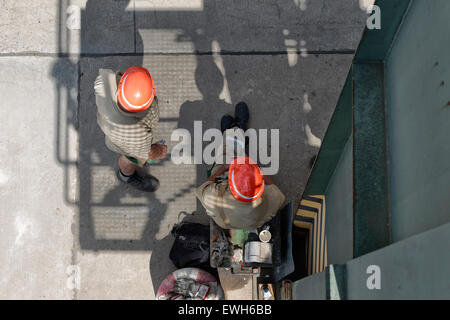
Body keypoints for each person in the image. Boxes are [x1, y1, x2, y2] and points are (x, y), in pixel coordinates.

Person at [195, 103, 285, 229]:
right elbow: (278, 194)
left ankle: (234, 130)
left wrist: (223, 168)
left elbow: (203, 188)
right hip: (251, 224)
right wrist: (257, 171)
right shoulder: (268, 201)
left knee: (226, 155)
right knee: (236, 153)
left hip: (225, 221)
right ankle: (237, 129)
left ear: (230, 184)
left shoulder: (214, 197)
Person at [94, 66, 167, 192]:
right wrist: (159, 150)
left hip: (109, 125)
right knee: (129, 159)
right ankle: (126, 176)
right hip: (123, 143)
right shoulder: (136, 133)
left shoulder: (103, 83)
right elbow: (145, 153)